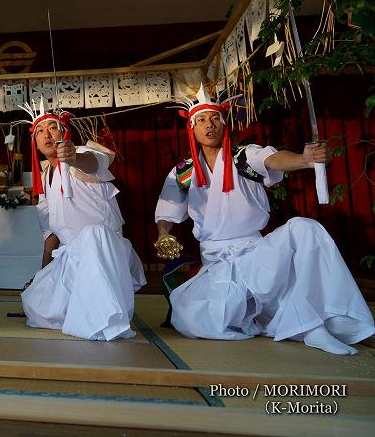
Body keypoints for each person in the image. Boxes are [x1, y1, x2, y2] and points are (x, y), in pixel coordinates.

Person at [154, 85, 375, 355]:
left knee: (305, 229)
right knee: (192, 318)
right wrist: (164, 233)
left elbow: (274, 159)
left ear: (224, 124)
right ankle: (275, 317)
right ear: (192, 128)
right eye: (201, 120)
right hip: (217, 264)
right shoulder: (182, 172)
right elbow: (167, 211)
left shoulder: (243, 156)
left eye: (214, 119)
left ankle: (314, 327)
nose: (209, 125)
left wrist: (304, 160)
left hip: (256, 254)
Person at [19, 99, 145, 340]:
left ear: (65, 132)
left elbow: (94, 163)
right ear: (34, 142)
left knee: (93, 235)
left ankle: (103, 317)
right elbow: (50, 236)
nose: (47, 135)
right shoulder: (46, 177)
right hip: (70, 254)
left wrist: (73, 157)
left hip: (101, 248)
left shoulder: (84, 154)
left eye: (53, 128)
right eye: (40, 131)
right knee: (37, 307)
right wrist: (43, 274)